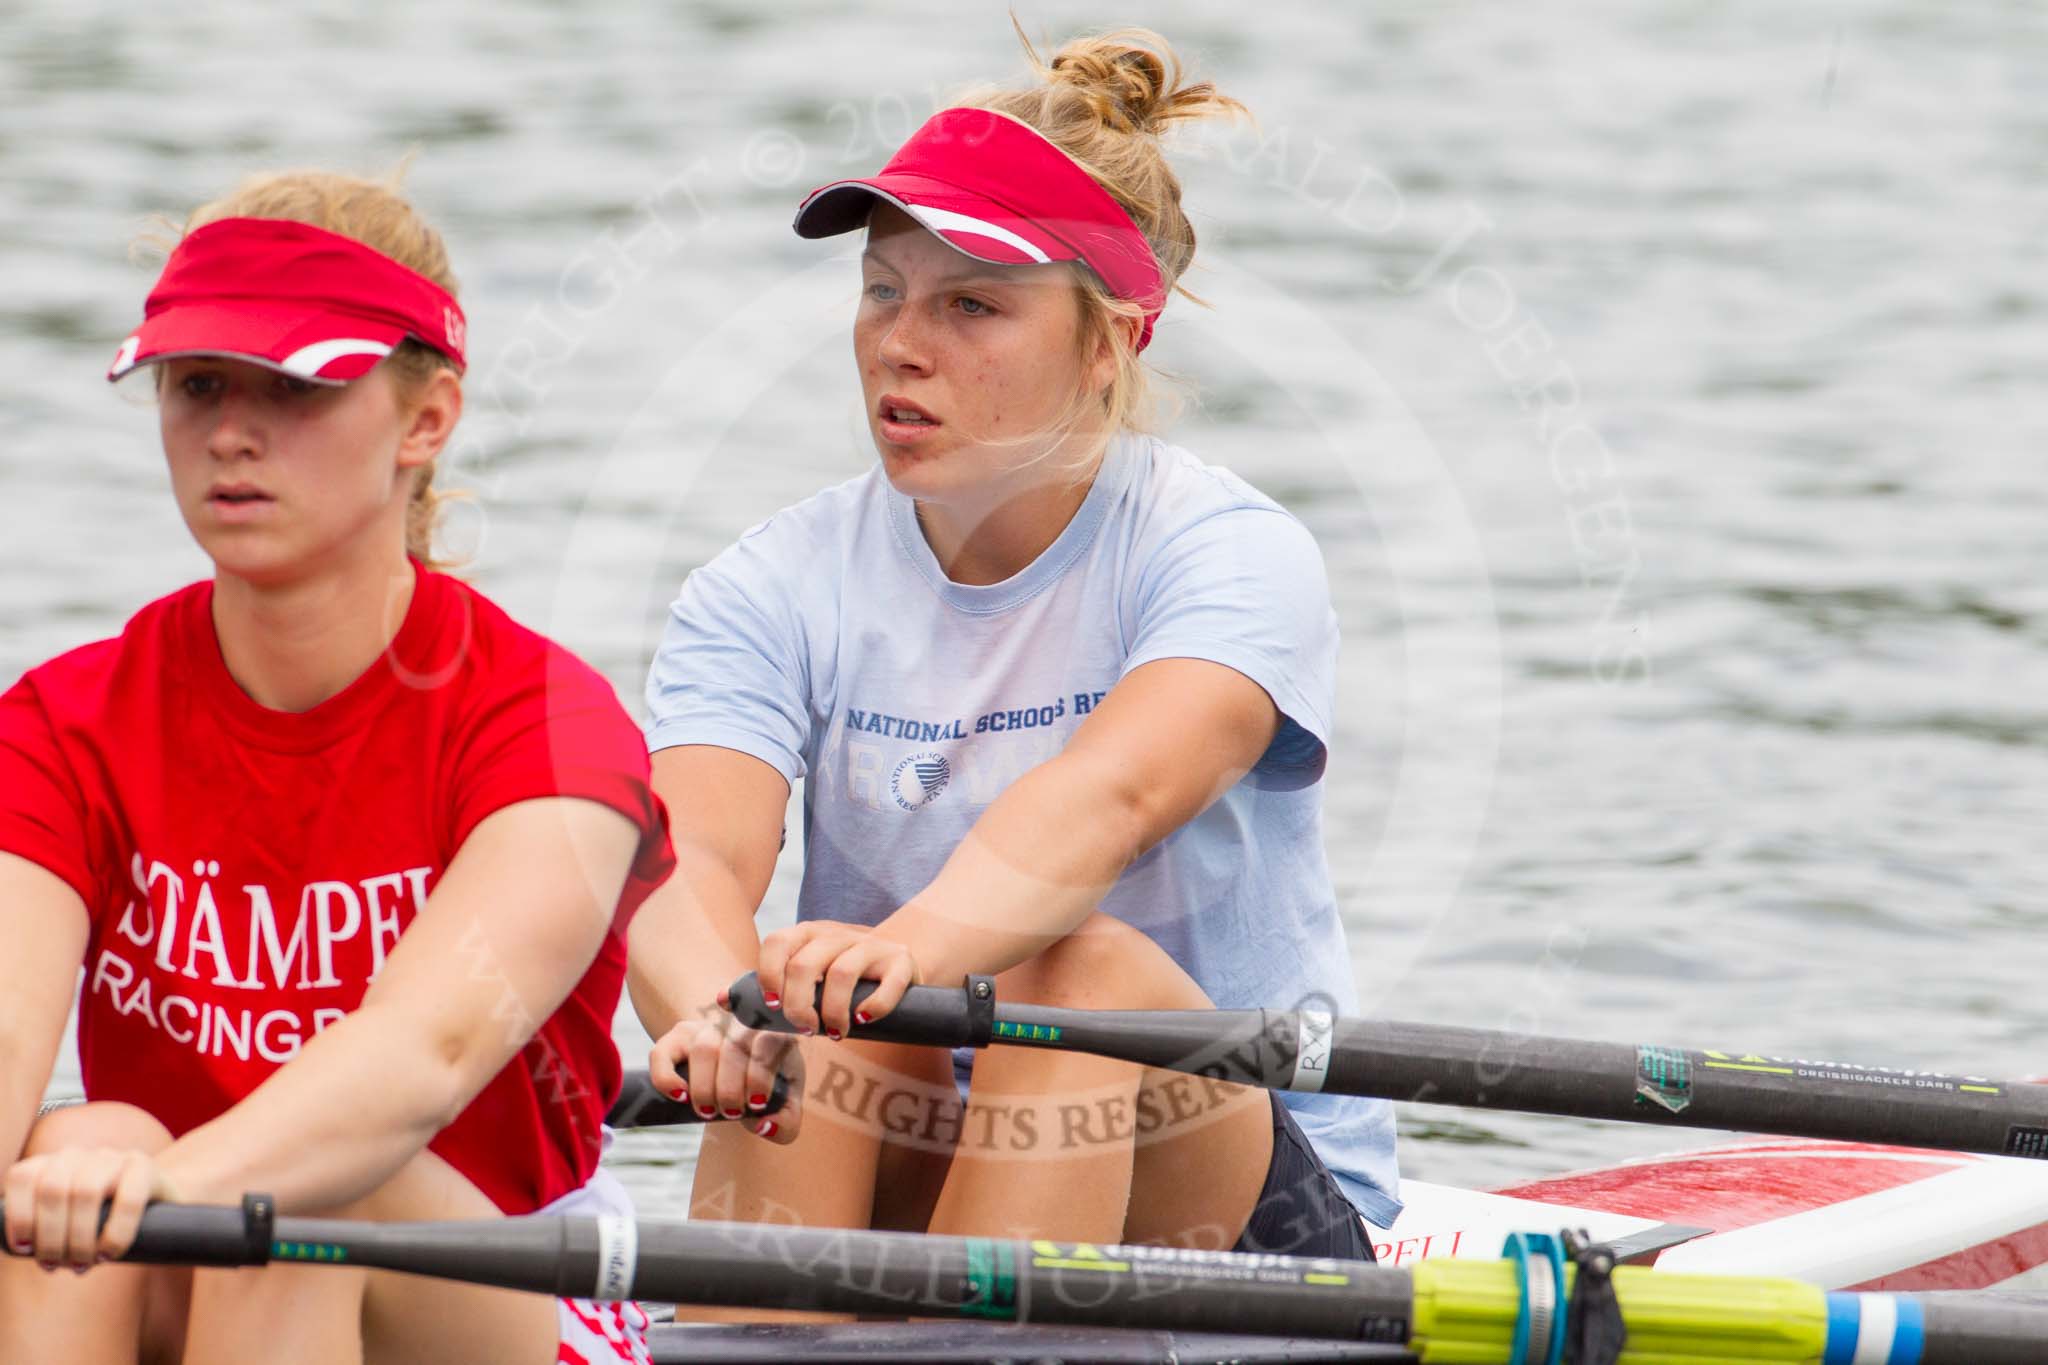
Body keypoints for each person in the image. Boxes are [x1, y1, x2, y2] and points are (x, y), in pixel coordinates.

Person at [630, 27, 1399, 1266]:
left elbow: (1109, 801)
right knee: (781, 990)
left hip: (1240, 1201)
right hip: (912, 1121)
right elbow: (686, 861)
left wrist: (901, 956)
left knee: (1065, 974)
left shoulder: (1225, 554)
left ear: (1108, 344)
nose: (900, 343)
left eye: (970, 305)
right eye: (882, 290)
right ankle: (769, 1335)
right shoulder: (767, 584)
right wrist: (714, 1015)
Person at [0, 170, 673, 1364]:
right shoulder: (65, 723)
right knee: (75, 1138)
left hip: (503, 1290)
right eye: (198, 384)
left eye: (298, 385)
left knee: (302, 1198)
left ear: (426, 421)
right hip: (180, 1255)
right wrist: (102, 1184)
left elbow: (423, 1064)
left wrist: (155, 1193)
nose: (232, 434)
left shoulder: (547, 725)